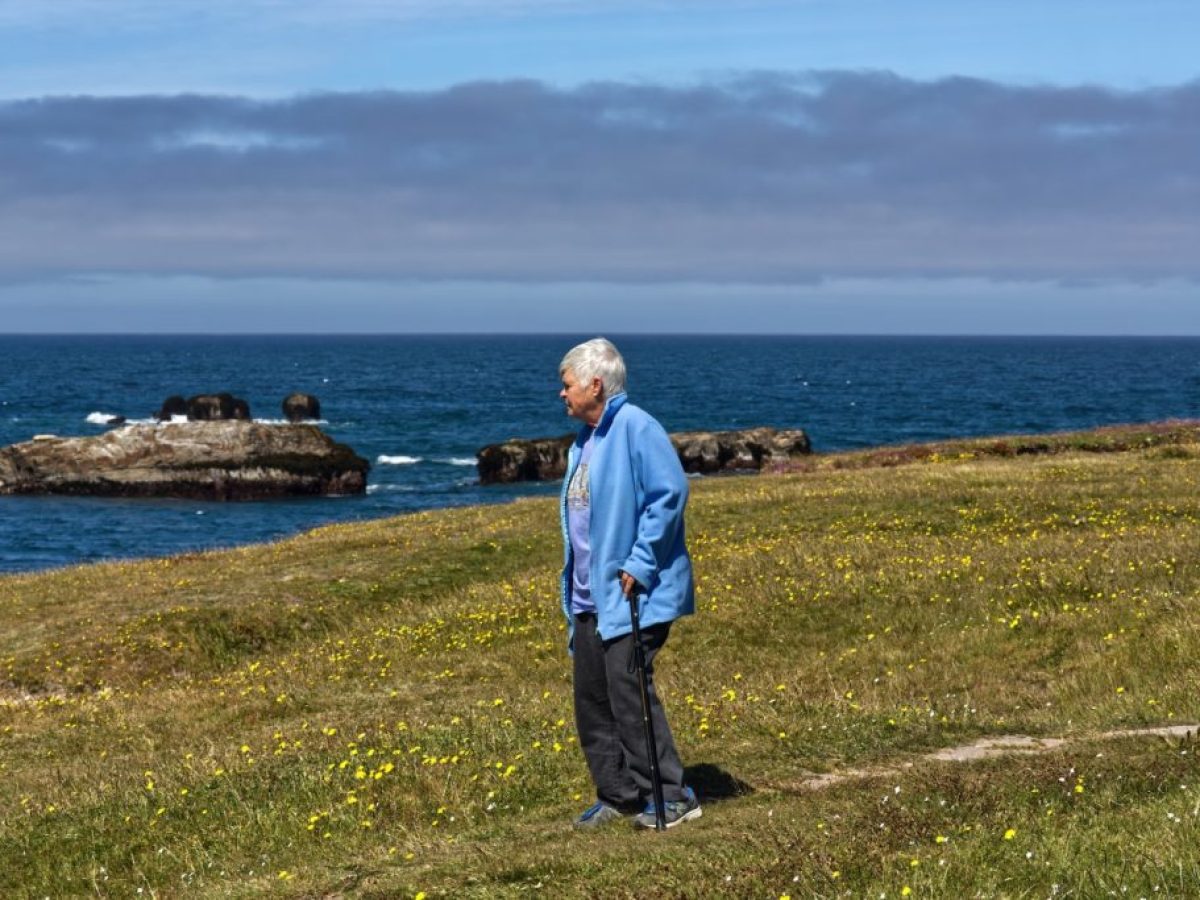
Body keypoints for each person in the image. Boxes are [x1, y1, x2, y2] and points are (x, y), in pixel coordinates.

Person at [557, 337, 701, 830]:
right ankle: (618, 793)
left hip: (634, 593)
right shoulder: (585, 440)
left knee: (630, 690)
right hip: (590, 596)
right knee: (593, 697)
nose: (563, 393)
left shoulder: (636, 426)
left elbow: (669, 494)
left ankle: (672, 794)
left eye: (567, 384)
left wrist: (639, 563)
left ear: (595, 384)